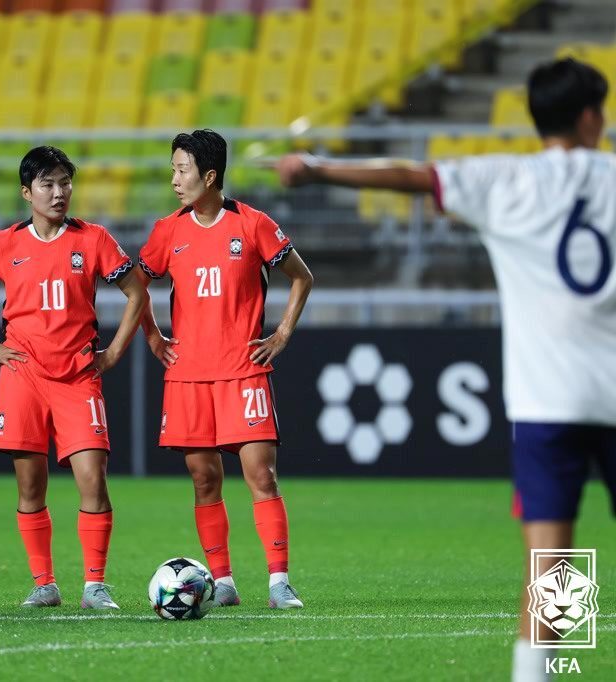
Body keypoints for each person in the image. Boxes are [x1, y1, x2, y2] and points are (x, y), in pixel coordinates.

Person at [278, 58, 616, 682]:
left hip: (548, 399)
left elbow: (409, 175)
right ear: (593, 116)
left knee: (554, 557)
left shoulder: (505, 179)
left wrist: (319, 168)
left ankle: (541, 675)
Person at [0, 146, 147, 609]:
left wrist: (114, 351)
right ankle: (45, 583)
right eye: (47, 184)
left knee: (92, 477)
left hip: (77, 376)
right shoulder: (4, 242)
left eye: (64, 183)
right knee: (30, 486)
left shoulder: (93, 239)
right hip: (23, 376)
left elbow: (136, 292)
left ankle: (94, 585)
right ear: (26, 192)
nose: (58, 193)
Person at [136, 129, 314, 609]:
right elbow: (136, 284)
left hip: (243, 370)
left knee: (261, 474)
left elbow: (302, 277)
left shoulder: (253, 224)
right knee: (204, 480)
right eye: (173, 169)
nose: (175, 179)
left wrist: (280, 335)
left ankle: (279, 583)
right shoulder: (168, 230)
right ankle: (225, 582)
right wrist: (153, 336)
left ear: (209, 175)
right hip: (188, 375)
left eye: (182, 169)